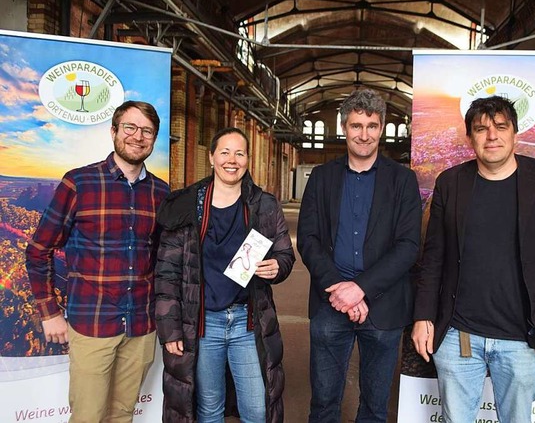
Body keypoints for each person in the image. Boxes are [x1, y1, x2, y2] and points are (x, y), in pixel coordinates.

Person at [411, 95, 535, 423]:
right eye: (482, 129)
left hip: (523, 337)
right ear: (469, 137)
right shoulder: (450, 183)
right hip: (460, 334)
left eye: (501, 127)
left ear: (515, 134)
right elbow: (433, 258)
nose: (492, 136)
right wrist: (423, 317)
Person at [25, 100, 170, 422]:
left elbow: (162, 258)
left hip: (141, 325)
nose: (138, 136)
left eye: (147, 130)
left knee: (122, 414)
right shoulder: (79, 183)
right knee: (88, 415)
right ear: (114, 131)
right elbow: (38, 249)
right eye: (130, 127)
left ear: (154, 138)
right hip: (92, 322)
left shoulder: (161, 192)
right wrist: (49, 313)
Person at [297, 88, 422, 422]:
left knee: (375, 405)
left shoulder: (402, 180)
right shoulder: (322, 178)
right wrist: (339, 287)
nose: (363, 134)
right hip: (330, 305)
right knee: (323, 401)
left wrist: (360, 288)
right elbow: (307, 239)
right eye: (356, 126)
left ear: (381, 129)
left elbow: (408, 246)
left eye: (371, 126)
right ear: (344, 128)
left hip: (383, 307)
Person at [154, 127, 295, 423]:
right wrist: (170, 330)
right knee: (209, 408)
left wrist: (277, 267)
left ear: (248, 160)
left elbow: (285, 253)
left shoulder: (263, 204)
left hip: (247, 320)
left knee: (257, 409)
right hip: (204, 324)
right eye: (225, 152)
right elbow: (167, 272)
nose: (232, 160)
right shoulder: (187, 205)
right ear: (212, 156)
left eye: (240, 153)